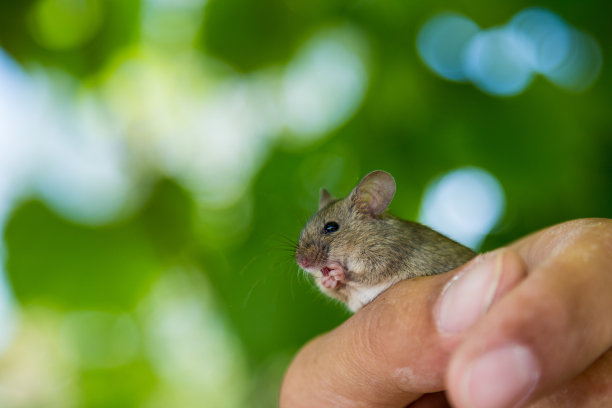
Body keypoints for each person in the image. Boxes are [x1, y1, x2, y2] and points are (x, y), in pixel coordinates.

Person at [280, 218, 612, 408]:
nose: (307, 256)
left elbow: (383, 267)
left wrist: (347, 272)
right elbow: (357, 298)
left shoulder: (385, 237)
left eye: (330, 229)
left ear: (370, 208)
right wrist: (336, 282)